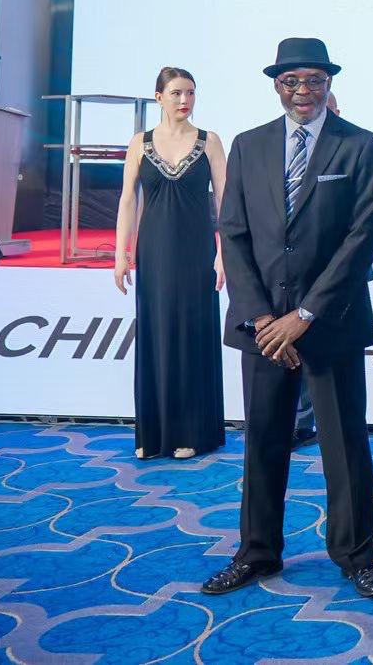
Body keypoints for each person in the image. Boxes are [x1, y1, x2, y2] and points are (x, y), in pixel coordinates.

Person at [202, 38, 373, 601]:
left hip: (330, 322)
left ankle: (357, 555)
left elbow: (361, 238)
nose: (303, 91)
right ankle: (256, 551)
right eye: (291, 81)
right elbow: (233, 233)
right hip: (263, 328)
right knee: (263, 442)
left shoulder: (360, 144)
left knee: (344, 445)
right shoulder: (249, 144)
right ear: (276, 86)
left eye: (314, 80)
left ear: (329, 84)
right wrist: (264, 319)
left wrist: (304, 315)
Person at [113, 66, 227, 460]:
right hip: (154, 253)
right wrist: (120, 254)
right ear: (159, 97)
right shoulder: (139, 143)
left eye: (190, 93)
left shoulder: (210, 141)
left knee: (191, 336)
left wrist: (224, 255)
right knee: (156, 335)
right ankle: (153, 433)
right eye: (177, 93)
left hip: (198, 252)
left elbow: (224, 202)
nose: (185, 100)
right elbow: (128, 200)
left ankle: (192, 432)